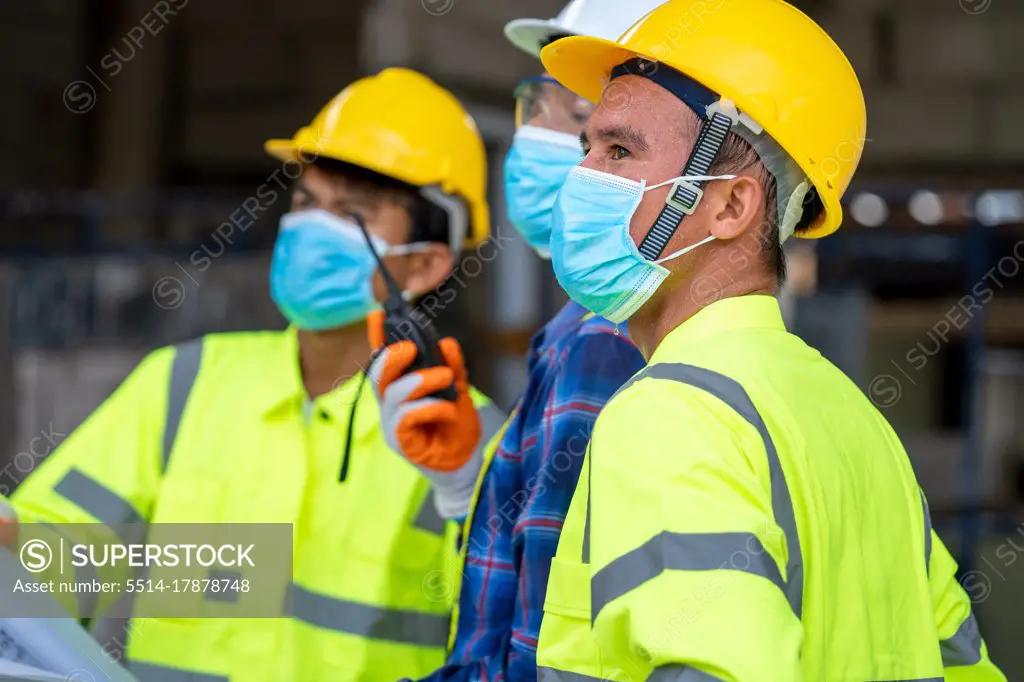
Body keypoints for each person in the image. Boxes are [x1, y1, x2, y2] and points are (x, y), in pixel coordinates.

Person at [531, 0, 1008, 679]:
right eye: (588, 150)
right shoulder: (859, 422)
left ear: (729, 205)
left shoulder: (672, 414)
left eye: (618, 151)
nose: (581, 180)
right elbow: (963, 665)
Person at [7, 67, 504, 682]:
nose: (309, 228)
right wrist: (12, 543)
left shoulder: (468, 434)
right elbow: (63, 558)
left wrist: (459, 492)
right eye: (305, 203)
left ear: (425, 264)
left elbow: (506, 617)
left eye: (352, 215)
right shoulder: (185, 381)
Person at [367, 2, 669, 681]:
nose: (535, 135)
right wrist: (472, 480)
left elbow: (537, 640)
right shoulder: (577, 326)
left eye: (575, 116)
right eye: (535, 102)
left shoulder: (607, 339)